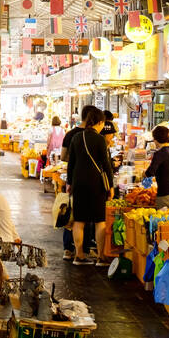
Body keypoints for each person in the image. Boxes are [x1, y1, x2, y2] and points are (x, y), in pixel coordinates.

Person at [67, 105, 112, 265]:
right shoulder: (100, 139)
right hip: (96, 184)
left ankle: (79, 256)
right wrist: (110, 186)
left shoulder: (76, 138)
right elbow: (106, 165)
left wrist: (68, 183)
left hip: (78, 182)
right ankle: (101, 257)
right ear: (99, 122)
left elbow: (70, 163)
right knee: (99, 221)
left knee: (79, 220)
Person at [59, 111, 97, 262]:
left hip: (73, 179)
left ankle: (68, 249)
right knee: (85, 217)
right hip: (88, 181)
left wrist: (75, 162)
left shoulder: (70, 134)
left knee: (70, 214)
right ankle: (84, 250)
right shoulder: (94, 136)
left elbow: (63, 157)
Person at [144, 126, 169, 208]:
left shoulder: (159, 153)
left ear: (155, 139)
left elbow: (150, 173)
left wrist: (142, 174)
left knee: (162, 220)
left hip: (166, 195)